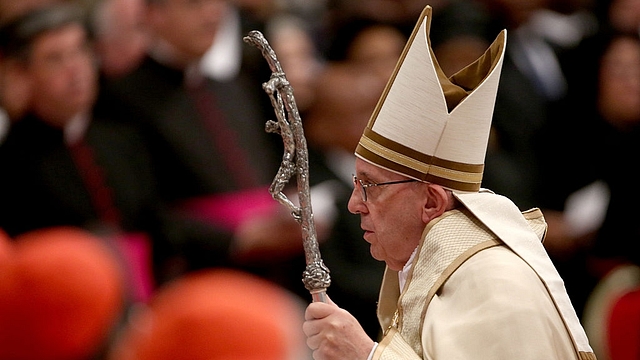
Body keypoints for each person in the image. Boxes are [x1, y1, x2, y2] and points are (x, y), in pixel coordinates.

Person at [302, 5, 596, 359]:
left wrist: (365, 355)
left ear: (431, 203)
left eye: (370, 185)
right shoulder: (434, 269)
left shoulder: (496, 283)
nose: (353, 203)